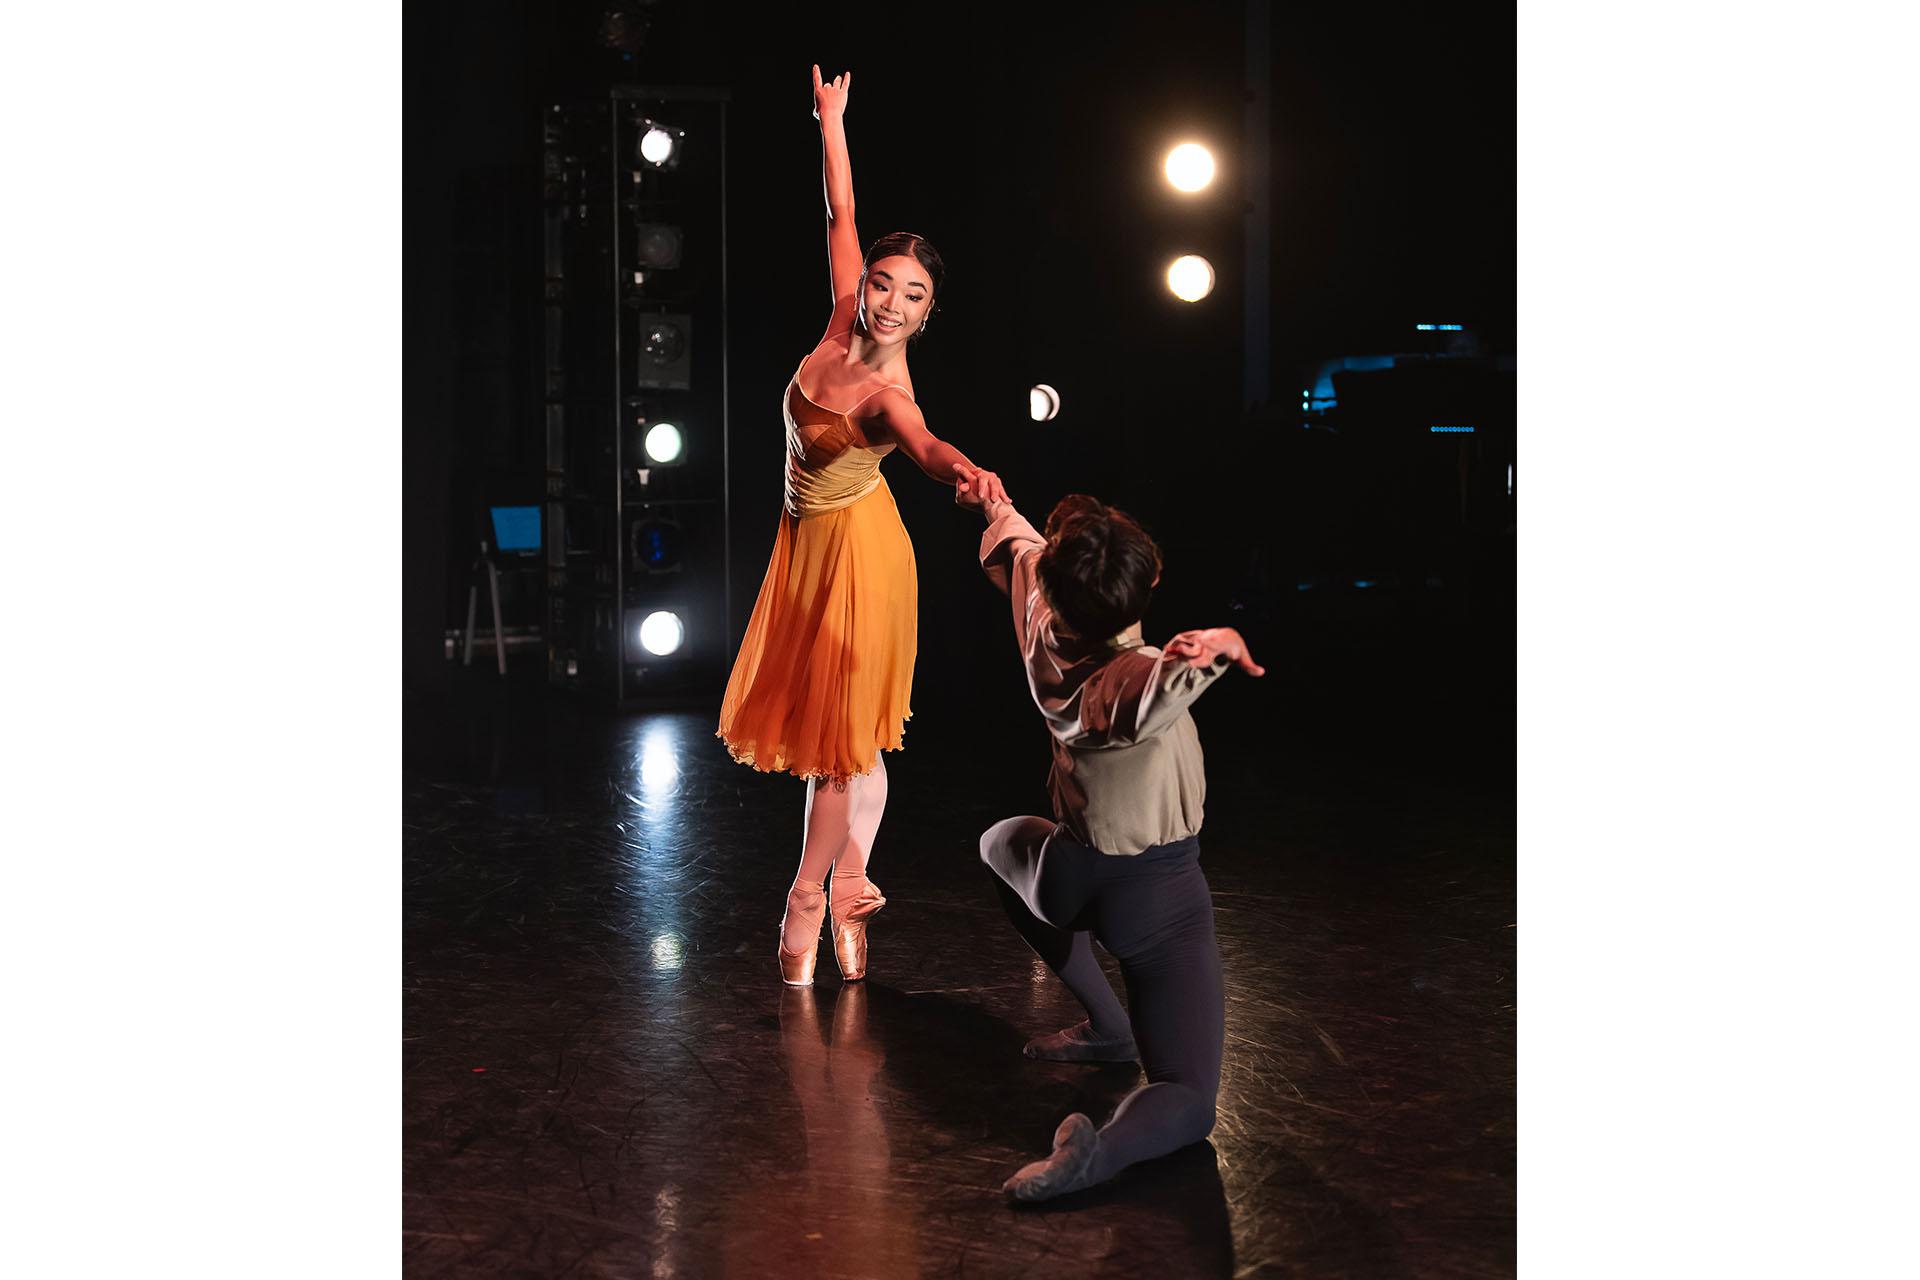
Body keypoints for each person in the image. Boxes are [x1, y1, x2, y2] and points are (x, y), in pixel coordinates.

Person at [717, 66, 1008, 988]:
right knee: (844, 745)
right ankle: (852, 885)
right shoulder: (841, 318)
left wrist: (969, 475)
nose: (888, 301)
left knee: (842, 749)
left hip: (861, 558)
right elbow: (841, 214)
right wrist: (830, 120)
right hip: (805, 549)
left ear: (927, 315)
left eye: (911, 295)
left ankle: (807, 895)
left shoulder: (887, 397)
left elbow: (924, 449)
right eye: (885, 284)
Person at [956, 486, 1264, 1202]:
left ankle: (1107, 1025)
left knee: (1001, 844)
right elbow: (1155, 689)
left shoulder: (1040, 622)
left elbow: (1024, 550)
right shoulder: (1127, 681)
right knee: (1187, 1095)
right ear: (1151, 582)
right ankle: (1097, 1155)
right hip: (1158, 899)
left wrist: (991, 503)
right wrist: (1210, 654)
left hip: (1068, 874)